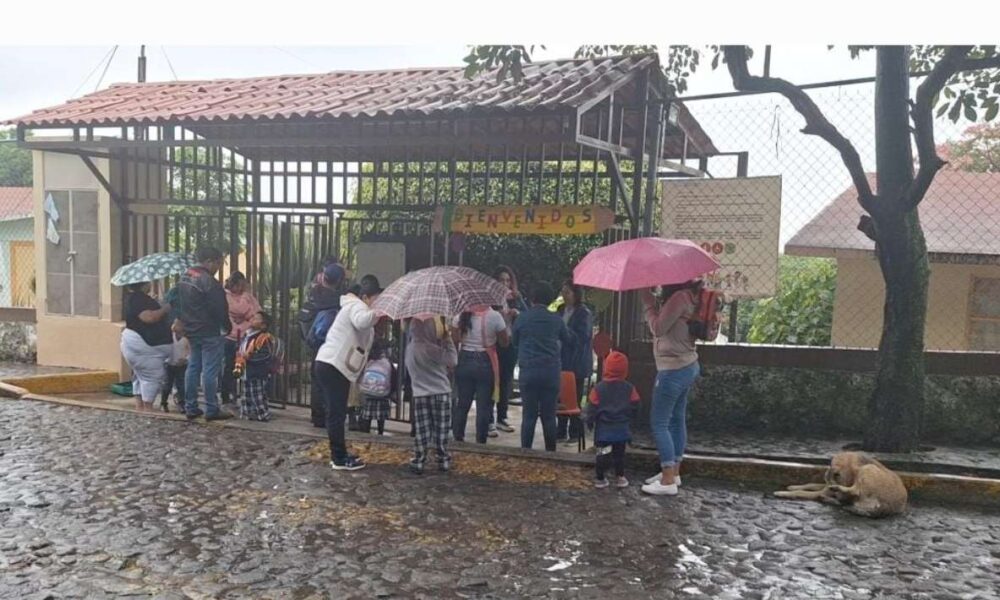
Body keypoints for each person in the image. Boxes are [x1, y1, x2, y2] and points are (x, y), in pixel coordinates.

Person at [640, 280, 702, 496]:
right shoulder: (690, 297)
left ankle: (667, 480)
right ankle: (674, 471)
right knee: (676, 419)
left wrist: (648, 303)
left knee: (659, 422)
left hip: (673, 369)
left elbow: (658, 328)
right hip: (687, 364)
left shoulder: (679, 298)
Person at [314, 275, 382, 471]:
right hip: (333, 365)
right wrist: (380, 310)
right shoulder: (357, 306)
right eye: (377, 298)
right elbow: (363, 322)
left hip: (332, 364)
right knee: (336, 413)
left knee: (337, 412)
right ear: (367, 296)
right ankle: (339, 457)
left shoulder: (354, 306)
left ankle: (339, 453)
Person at [512, 281, 573, 452]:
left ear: (532, 298)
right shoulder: (556, 319)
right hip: (550, 372)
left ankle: (526, 452)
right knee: (548, 416)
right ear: (550, 299)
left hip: (528, 371)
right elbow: (568, 340)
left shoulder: (522, 318)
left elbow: (514, 341)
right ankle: (550, 453)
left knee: (529, 415)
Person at [178, 246, 232, 421]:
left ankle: (190, 406)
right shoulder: (209, 281)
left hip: (192, 329)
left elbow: (178, 301)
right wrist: (227, 325)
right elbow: (219, 308)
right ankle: (211, 408)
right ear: (209, 261)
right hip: (209, 330)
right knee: (210, 370)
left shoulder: (185, 277)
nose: (218, 267)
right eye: (218, 263)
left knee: (193, 367)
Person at [406, 317, 458, 475]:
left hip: (420, 393)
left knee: (422, 430)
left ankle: (419, 460)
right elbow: (453, 360)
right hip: (440, 392)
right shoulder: (430, 348)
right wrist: (448, 339)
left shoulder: (410, 349)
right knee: (441, 429)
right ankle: (442, 459)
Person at [451, 307, 509, 444]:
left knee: (463, 403)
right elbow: (504, 342)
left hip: (464, 358)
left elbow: (454, 340)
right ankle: (480, 441)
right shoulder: (495, 316)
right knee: (484, 406)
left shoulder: (460, 315)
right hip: (486, 360)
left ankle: (458, 438)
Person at [300, 262, 347, 428]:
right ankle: (329, 414)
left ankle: (317, 415)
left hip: (313, 344)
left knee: (316, 380)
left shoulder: (312, 295)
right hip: (331, 346)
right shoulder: (337, 300)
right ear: (339, 280)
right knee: (332, 382)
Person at [586, 351, 640, 489]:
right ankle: (620, 477)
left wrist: (590, 422)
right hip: (621, 429)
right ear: (625, 370)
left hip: (603, 429)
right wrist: (630, 419)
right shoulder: (629, 388)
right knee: (619, 455)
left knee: (602, 454)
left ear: (606, 368)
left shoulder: (598, 388)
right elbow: (636, 404)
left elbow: (591, 407)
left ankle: (600, 478)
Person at [120, 281, 173, 412]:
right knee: (151, 376)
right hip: (146, 344)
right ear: (143, 284)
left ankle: (140, 407)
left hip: (138, 344)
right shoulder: (138, 299)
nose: (151, 283)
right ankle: (148, 408)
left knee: (139, 376)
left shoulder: (134, 298)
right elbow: (148, 317)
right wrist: (165, 309)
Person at [557, 280, 593, 444]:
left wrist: (564, 332)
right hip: (561, 359)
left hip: (576, 362)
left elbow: (582, 338)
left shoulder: (583, 313)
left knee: (575, 397)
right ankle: (561, 430)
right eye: (562, 292)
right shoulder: (560, 310)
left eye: (568, 292)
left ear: (576, 294)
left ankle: (575, 432)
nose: (564, 296)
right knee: (560, 397)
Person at [493, 266, 528, 434]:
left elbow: (528, 316)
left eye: (508, 280)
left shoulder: (515, 298)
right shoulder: (490, 299)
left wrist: (518, 309)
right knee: (493, 380)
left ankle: (502, 416)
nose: (505, 283)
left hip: (510, 343)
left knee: (506, 380)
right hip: (495, 343)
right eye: (501, 280)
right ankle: (488, 418)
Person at [222, 271, 261, 405]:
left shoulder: (249, 297)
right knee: (229, 367)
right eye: (239, 286)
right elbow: (240, 309)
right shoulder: (226, 296)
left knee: (246, 366)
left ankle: (243, 394)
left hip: (247, 336)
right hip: (231, 337)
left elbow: (257, 313)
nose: (241, 289)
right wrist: (246, 300)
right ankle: (227, 394)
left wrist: (248, 317)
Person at [234, 310, 278, 422]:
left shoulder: (263, 338)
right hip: (245, 370)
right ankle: (246, 412)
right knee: (245, 393)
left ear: (263, 325)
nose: (253, 318)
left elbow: (266, 354)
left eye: (257, 318)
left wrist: (251, 358)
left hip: (256, 371)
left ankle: (262, 414)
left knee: (257, 394)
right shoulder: (247, 335)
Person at [161, 320, 190, 413]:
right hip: (169, 364)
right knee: (167, 385)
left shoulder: (186, 340)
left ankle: (182, 404)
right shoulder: (169, 337)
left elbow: (190, 352)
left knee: (181, 385)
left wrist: (186, 359)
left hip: (181, 365)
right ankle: (163, 402)